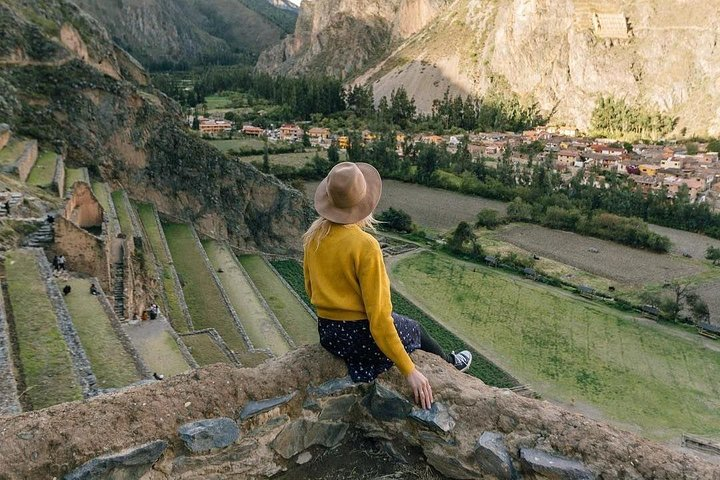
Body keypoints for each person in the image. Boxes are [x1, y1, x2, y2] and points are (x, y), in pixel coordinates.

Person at [303, 162, 472, 410]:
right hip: (359, 337)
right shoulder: (365, 246)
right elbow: (380, 320)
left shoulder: (313, 238)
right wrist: (409, 370)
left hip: (329, 335)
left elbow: (310, 289)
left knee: (401, 325)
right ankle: (450, 362)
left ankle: (450, 360)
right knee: (414, 328)